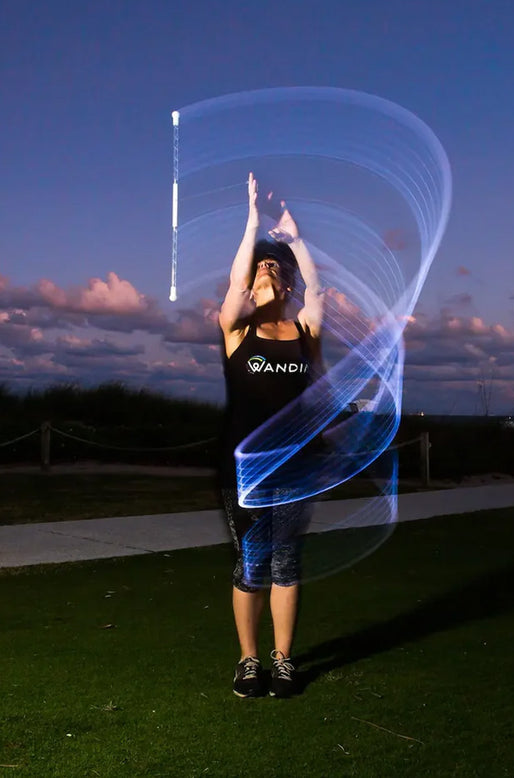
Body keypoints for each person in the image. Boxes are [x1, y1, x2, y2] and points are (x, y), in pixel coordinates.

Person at [219, 172, 324, 698]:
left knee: (287, 562)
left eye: (273, 267)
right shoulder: (237, 330)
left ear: (285, 284)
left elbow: (319, 291)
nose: (264, 269)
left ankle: (283, 661)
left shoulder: (305, 332)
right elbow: (238, 285)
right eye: (260, 266)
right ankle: (249, 660)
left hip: (298, 467)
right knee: (252, 562)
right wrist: (254, 220)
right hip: (249, 467)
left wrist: (297, 242)